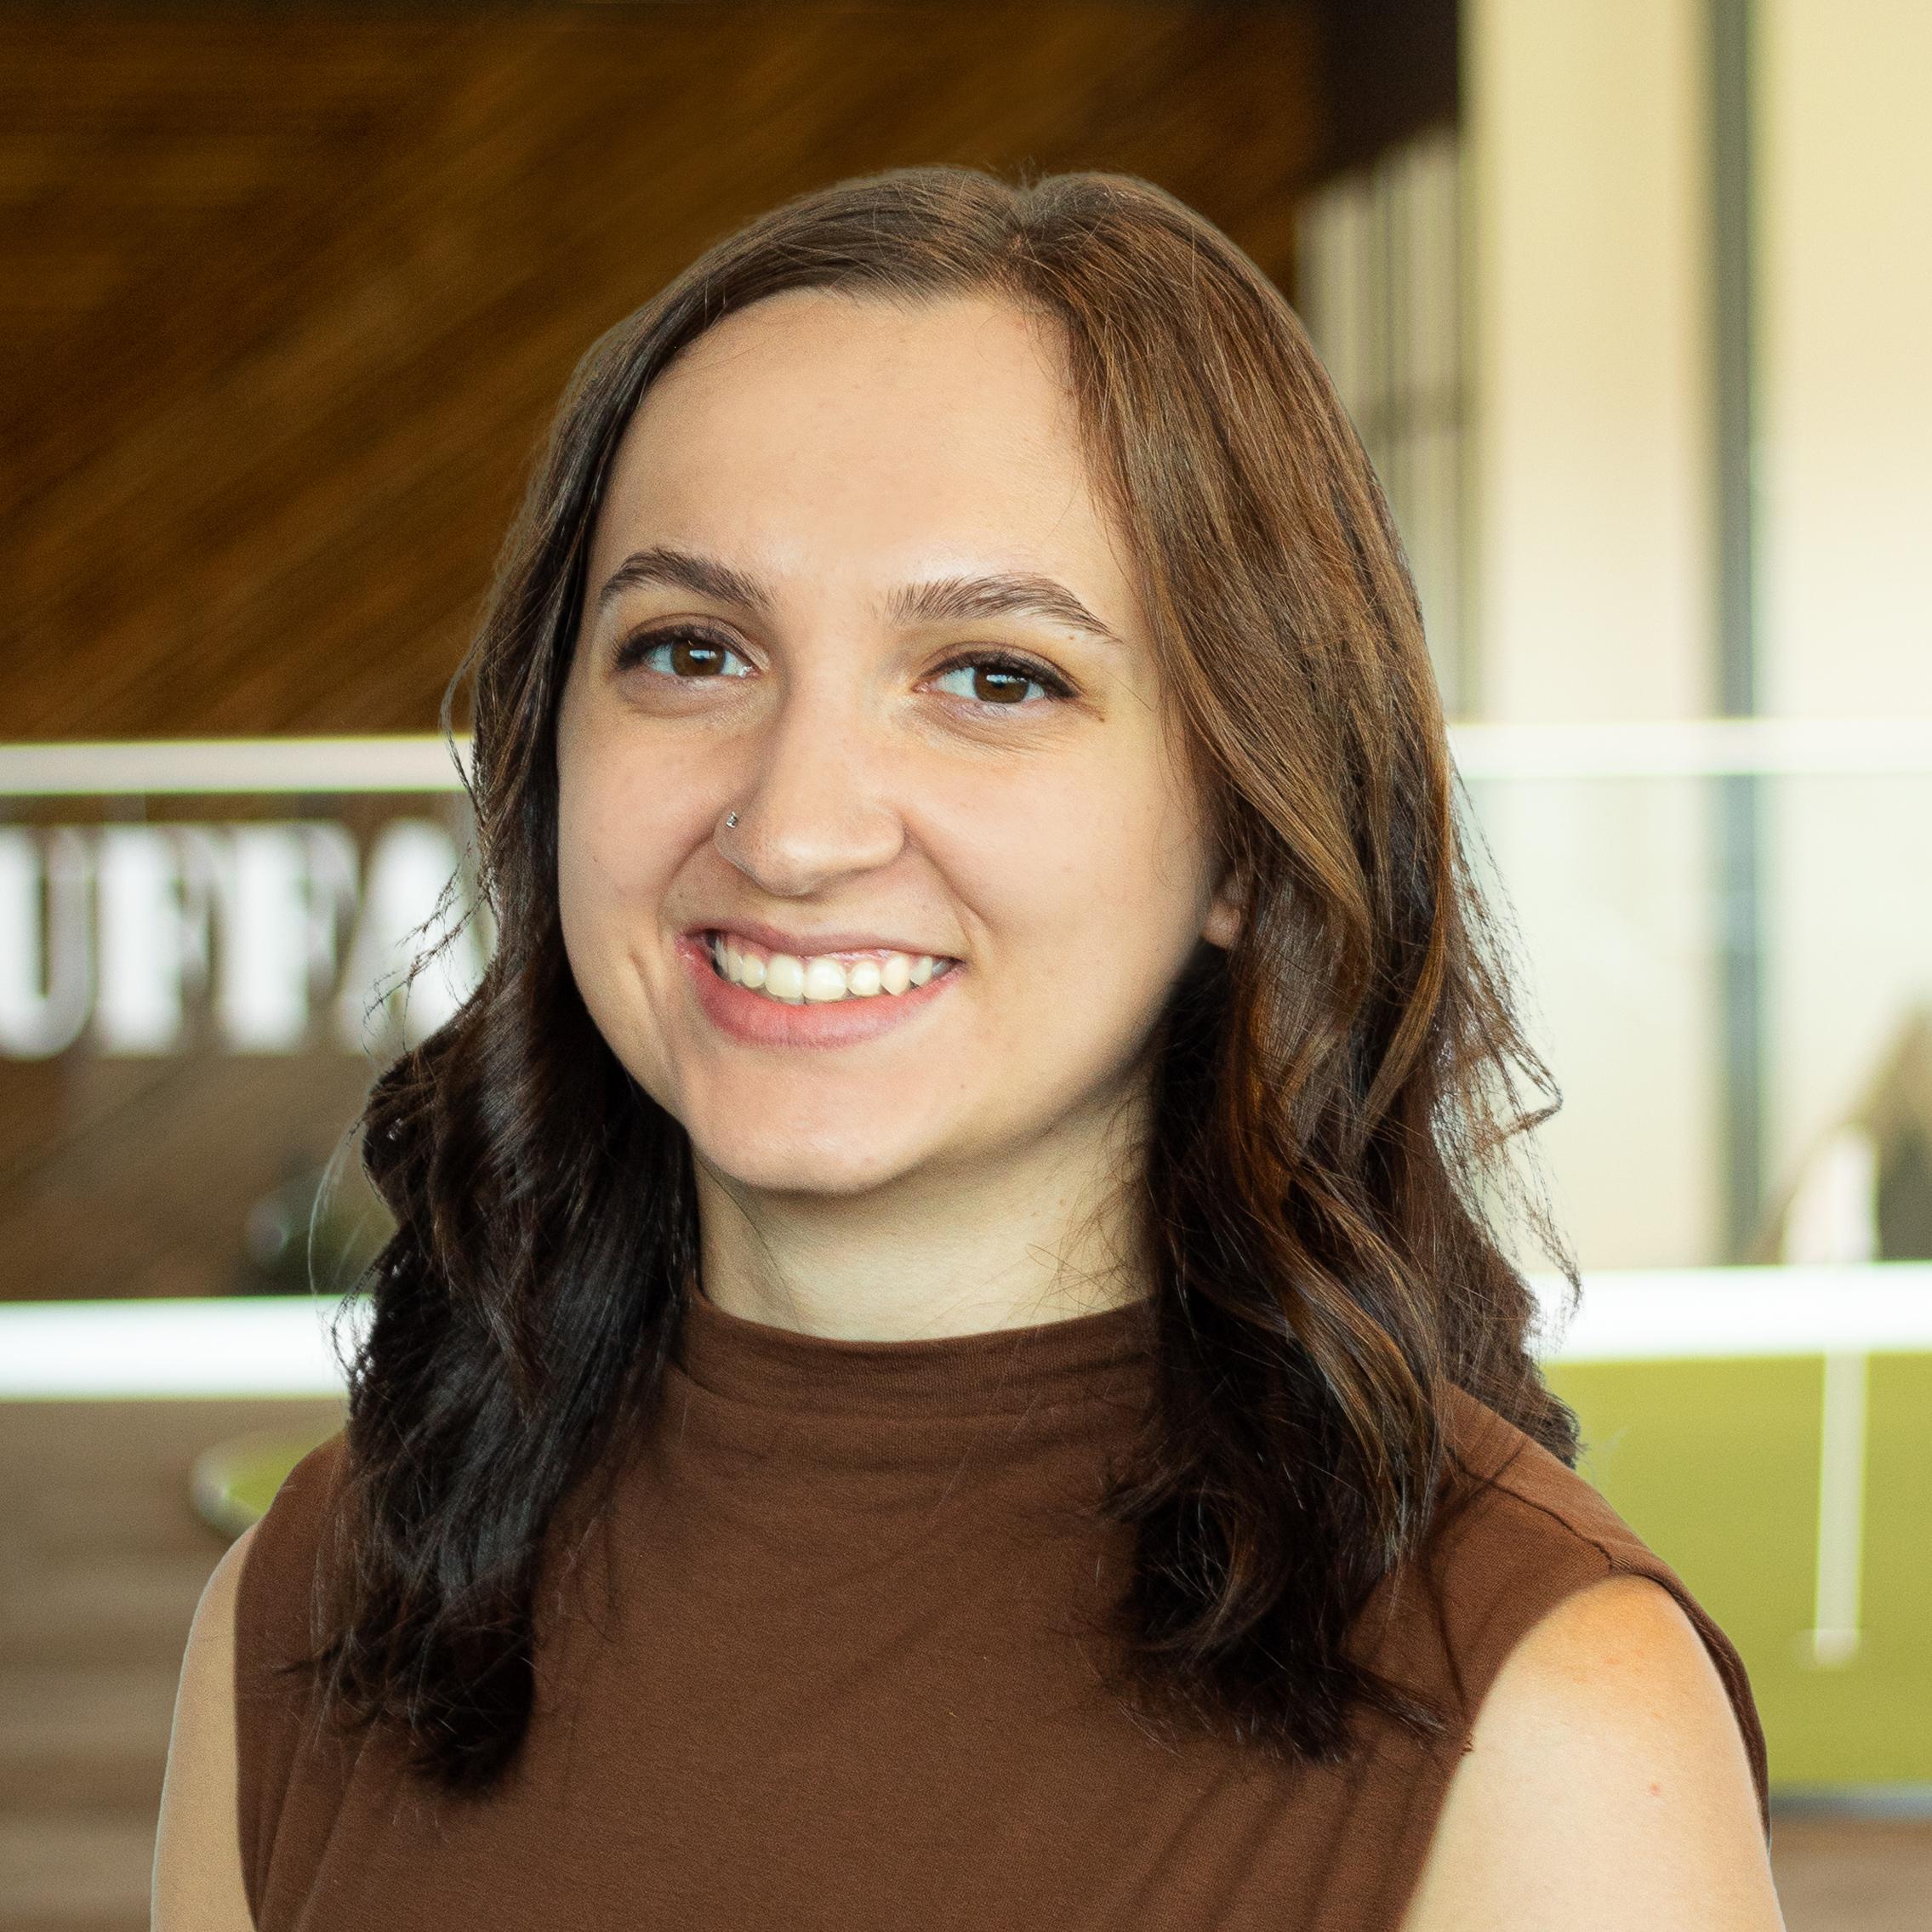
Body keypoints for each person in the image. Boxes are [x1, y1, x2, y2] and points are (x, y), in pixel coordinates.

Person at [153, 164, 1785, 1930]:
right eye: (689, 651)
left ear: (1248, 838)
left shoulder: (1541, 1718)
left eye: (994, 676)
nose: (794, 829)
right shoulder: (304, 1612)